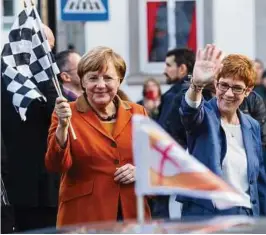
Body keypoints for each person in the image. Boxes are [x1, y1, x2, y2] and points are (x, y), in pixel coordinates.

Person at [45, 46, 151, 226]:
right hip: (85, 216)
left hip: (132, 214)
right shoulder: (66, 113)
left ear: (119, 81)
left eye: (108, 78)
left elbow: (155, 162)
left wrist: (140, 171)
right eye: (93, 78)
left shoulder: (137, 112)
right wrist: (62, 127)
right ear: (83, 82)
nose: (100, 85)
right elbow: (55, 165)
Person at [178, 44, 266, 217]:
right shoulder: (204, 116)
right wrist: (196, 84)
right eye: (224, 85)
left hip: (246, 216)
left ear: (248, 91)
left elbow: (258, 180)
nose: (229, 93)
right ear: (216, 84)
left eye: (237, 88)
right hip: (207, 216)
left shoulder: (251, 125)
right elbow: (189, 112)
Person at [1, 25, 59, 232]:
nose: (50, 56)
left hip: (14, 186)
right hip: (41, 187)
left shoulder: (7, 76)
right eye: (47, 49)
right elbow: (56, 117)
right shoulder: (44, 80)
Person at [157, 48, 195, 125]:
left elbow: (164, 130)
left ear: (182, 69)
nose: (164, 71)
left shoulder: (173, 96)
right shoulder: (199, 91)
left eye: (168, 65)